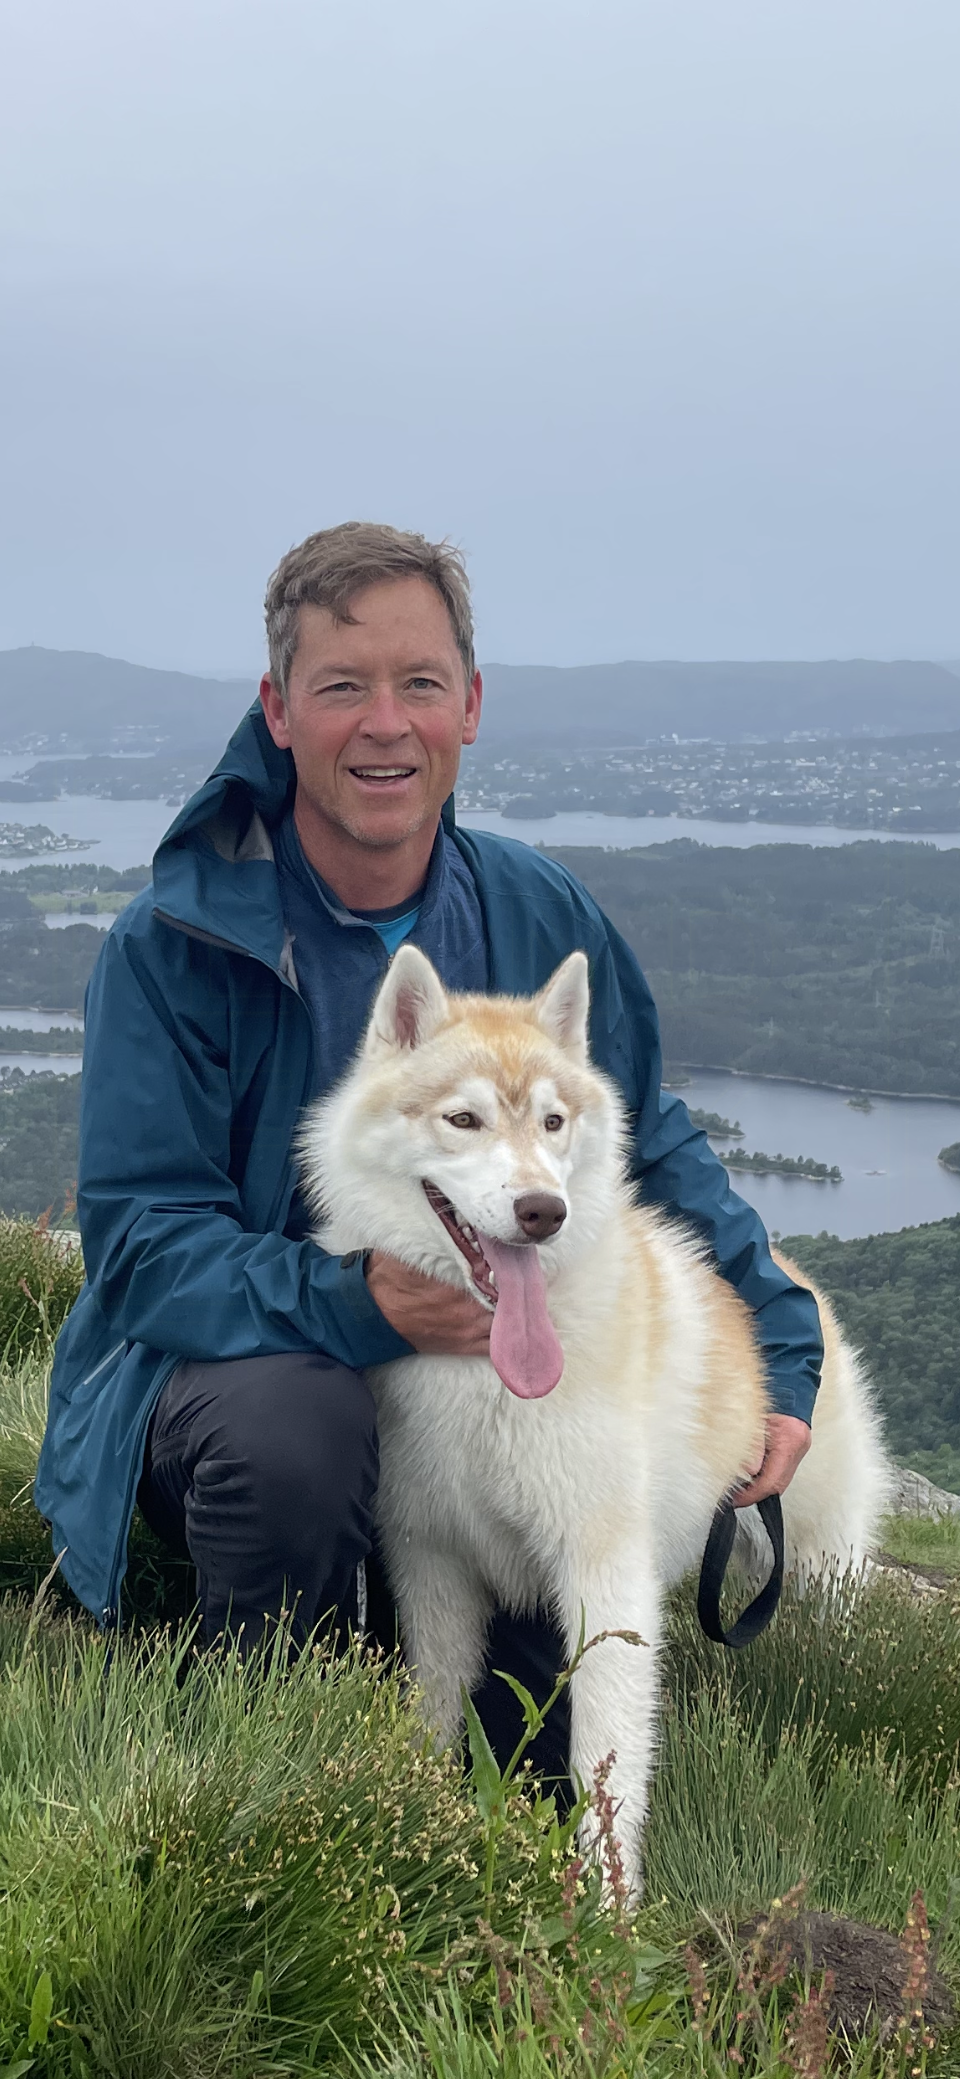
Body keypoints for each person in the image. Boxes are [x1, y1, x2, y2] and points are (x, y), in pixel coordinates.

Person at [35, 522, 820, 1775]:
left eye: (420, 683)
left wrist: (780, 1347)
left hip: (476, 1404)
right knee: (293, 1429)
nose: (387, 724)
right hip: (241, 1389)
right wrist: (359, 1300)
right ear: (277, 710)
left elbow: (649, 1142)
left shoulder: (539, 908)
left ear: (471, 705)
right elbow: (142, 1250)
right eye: (342, 686)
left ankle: (459, 1718)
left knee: (528, 1769)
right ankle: (280, 1759)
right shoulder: (170, 948)